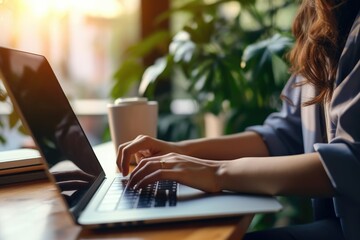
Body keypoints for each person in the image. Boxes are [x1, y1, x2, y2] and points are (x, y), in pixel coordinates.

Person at [116, 0, 360, 239]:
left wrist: (218, 173)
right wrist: (179, 151)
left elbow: (350, 163)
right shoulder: (319, 15)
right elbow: (285, 134)